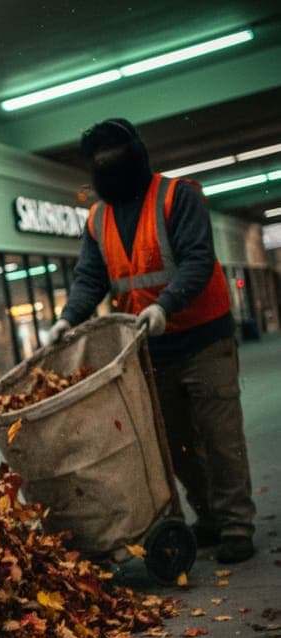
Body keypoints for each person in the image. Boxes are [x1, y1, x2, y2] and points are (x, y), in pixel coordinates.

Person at [49, 119, 256, 565]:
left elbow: (197, 259)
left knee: (220, 437)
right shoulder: (98, 218)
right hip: (151, 348)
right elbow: (90, 277)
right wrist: (68, 319)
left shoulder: (178, 196)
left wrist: (165, 305)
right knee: (175, 445)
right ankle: (210, 518)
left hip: (205, 339)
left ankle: (237, 525)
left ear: (136, 158)